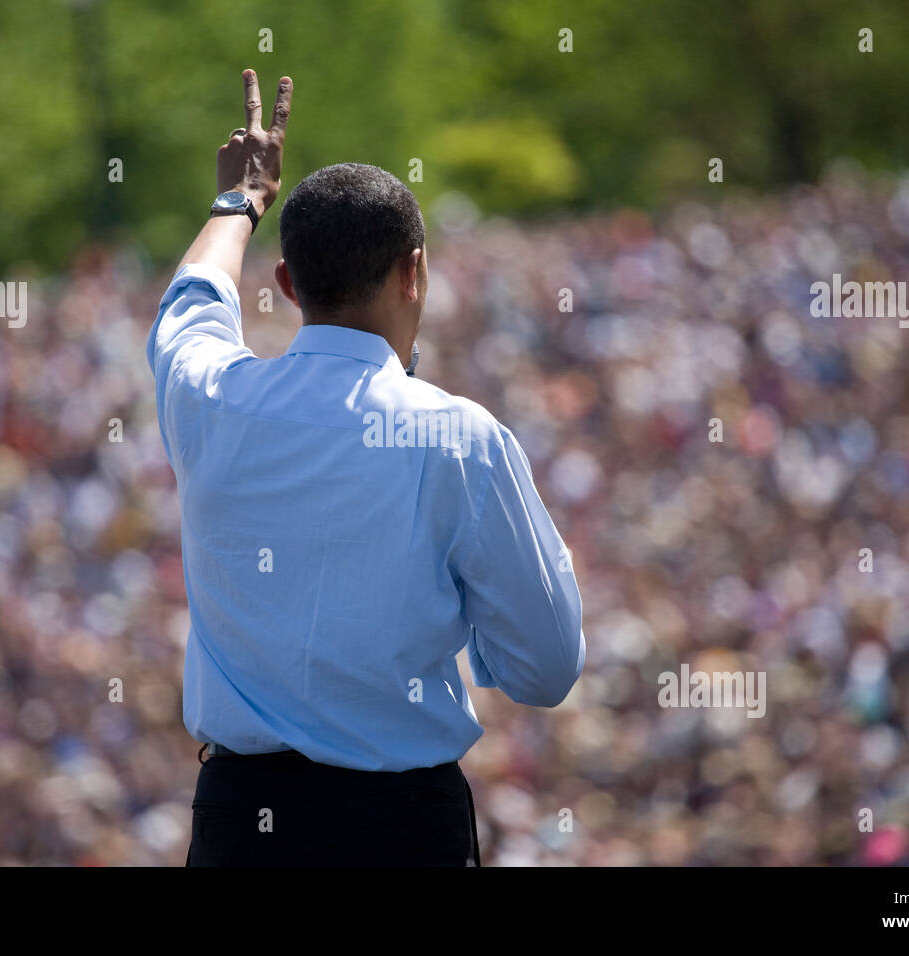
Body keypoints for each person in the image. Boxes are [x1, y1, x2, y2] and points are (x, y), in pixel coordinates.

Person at [146, 69, 585, 866]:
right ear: (414, 270)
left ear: (285, 283)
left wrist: (240, 201)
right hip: (402, 827)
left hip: (244, 827)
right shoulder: (459, 438)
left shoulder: (211, 401)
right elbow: (547, 668)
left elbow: (191, 303)